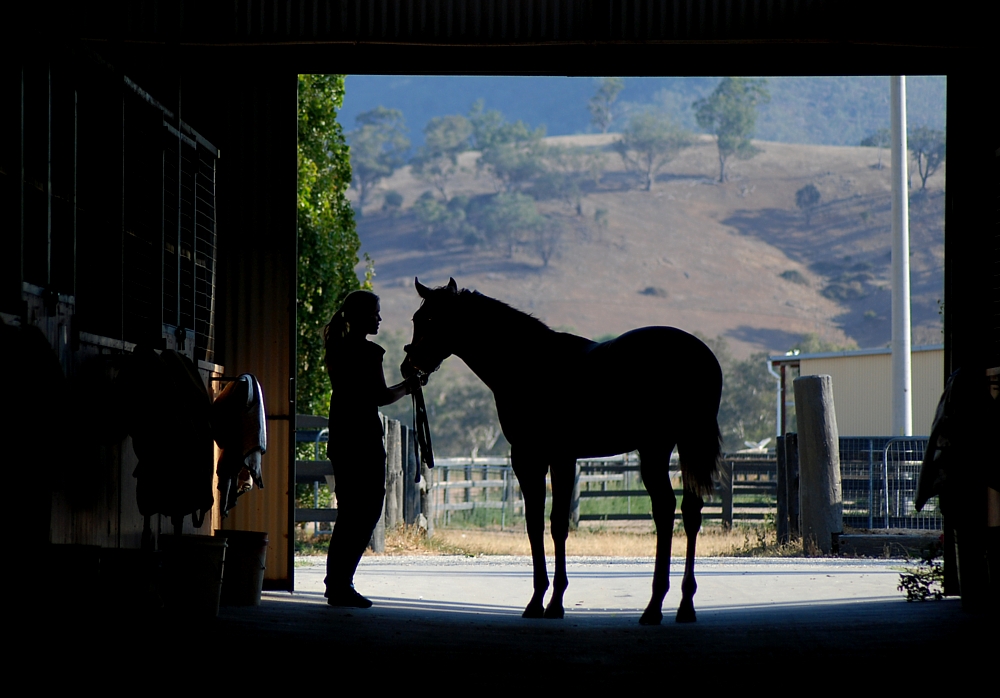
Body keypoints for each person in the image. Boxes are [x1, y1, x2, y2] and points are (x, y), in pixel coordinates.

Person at [323, 290, 419, 608]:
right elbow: (379, 396)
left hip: (341, 438)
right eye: (375, 313)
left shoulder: (337, 348)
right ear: (361, 316)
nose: (379, 318)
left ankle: (336, 582)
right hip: (363, 440)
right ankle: (341, 583)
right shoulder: (367, 353)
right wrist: (408, 387)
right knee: (366, 512)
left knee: (349, 512)